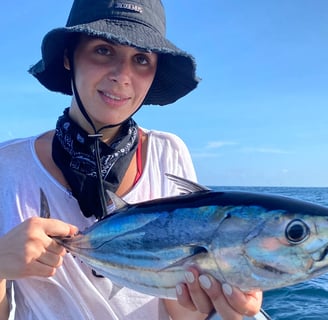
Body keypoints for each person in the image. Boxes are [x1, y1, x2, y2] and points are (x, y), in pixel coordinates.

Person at [0, 0, 262, 319]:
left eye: (141, 59)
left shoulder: (169, 152)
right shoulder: (8, 165)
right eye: (103, 50)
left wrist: (225, 306)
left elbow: (180, 310)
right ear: (69, 57)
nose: (122, 76)